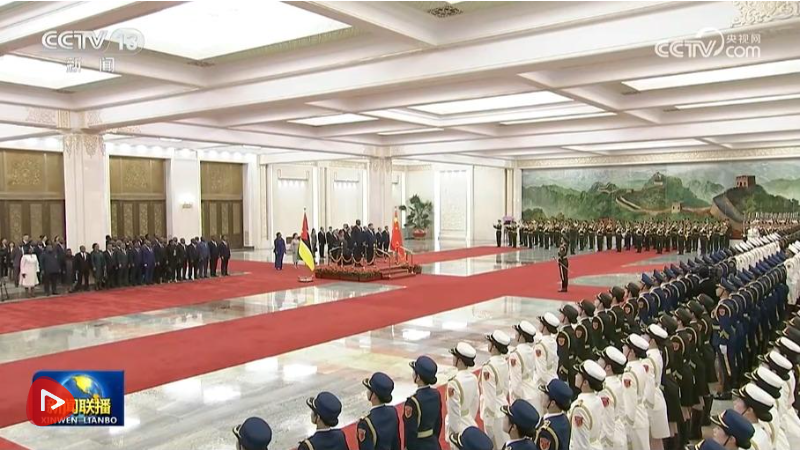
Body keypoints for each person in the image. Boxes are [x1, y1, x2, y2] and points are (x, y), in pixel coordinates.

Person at [481, 330, 511, 449]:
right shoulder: (503, 362)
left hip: (494, 414)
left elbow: (490, 397)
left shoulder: (488, 367)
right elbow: (506, 387)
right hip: (502, 404)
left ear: (493, 346)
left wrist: (488, 421)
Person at [405, 355, 442, 450]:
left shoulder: (413, 402)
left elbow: (410, 431)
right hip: (433, 443)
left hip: (419, 445)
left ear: (418, 377)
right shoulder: (436, 394)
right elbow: (438, 423)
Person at [569, 360, 606, 450]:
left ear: (585, 382)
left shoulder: (580, 409)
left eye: (578, 374)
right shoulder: (597, 399)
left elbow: (580, 445)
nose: (576, 375)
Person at [358, 372, 400, 450]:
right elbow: (396, 442)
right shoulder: (392, 412)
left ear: (374, 395)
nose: (367, 392)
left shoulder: (365, 423)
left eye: (369, 390)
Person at [447, 342, 479, 435]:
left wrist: (456, 432)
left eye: (455, 356)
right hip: (469, 421)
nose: (453, 358)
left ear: (460, 360)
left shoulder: (454, 383)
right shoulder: (473, 378)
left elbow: (453, 410)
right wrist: (470, 418)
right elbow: (475, 403)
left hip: (458, 426)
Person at [534, 379, 573, 450]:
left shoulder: (546, 431)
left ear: (552, 403)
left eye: (545, 394)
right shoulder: (564, 418)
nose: (542, 395)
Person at [509, 321, 538, 404]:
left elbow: (516, 381)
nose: (515, 334)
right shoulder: (531, 350)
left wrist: (516, 399)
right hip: (531, 388)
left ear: (521, 336)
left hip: (522, 394)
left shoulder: (515, 354)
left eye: (517, 333)